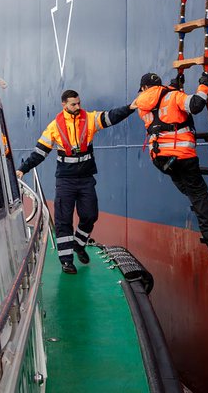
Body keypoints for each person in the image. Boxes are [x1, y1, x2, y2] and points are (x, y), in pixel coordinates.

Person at [16, 88, 132, 273]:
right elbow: (39, 153)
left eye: (79, 103)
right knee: (63, 221)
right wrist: (23, 170)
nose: (78, 107)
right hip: (65, 181)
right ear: (64, 105)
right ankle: (66, 261)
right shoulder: (54, 127)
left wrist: (131, 107)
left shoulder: (90, 119)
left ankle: (79, 244)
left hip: (86, 179)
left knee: (90, 215)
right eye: (73, 104)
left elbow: (111, 117)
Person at [131, 70, 208, 248]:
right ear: (160, 85)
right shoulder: (173, 96)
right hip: (182, 156)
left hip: (160, 159)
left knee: (189, 191)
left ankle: (206, 222)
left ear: (144, 88)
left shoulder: (141, 106)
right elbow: (195, 105)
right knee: (198, 193)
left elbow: (159, 106)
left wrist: (173, 86)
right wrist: (205, 84)